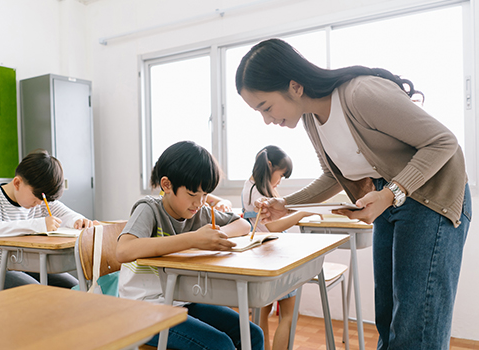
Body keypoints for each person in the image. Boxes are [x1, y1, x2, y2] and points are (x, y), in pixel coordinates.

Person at [236, 38, 471, 350]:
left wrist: (389, 193)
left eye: (265, 107)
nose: (267, 119)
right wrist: (286, 203)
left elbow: (443, 142)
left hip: (433, 197)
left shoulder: (360, 94)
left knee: (417, 326)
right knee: (387, 321)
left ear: (294, 86)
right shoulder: (311, 120)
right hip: (392, 203)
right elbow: (334, 177)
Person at [116, 140, 264, 350]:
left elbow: (242, 224)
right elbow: (123, 250)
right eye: (193, 194)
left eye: (205, 195)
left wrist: (216, 235)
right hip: (140, 309)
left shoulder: (199, 211)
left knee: (252, 334)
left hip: (180, 300)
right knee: (220, 345)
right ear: (167, 185)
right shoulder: (149, 209)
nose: (200, 202)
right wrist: (193, 239)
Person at [0, 149, 98, 295]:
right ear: (17, 183)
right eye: (36, 200)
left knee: (76, 289)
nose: (39, 204)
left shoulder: (40, 199)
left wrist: (78, 220)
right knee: (39, 293)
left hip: (23, 266)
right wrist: (35, 225)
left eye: (42, 201)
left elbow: (67, 215)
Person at [242, 145, 313, 350]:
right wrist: (302, 213)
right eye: (281, 175)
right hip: (274, 254)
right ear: (270, 166)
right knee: (289, 315)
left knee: (262, 312)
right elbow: (274, 226)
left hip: (261, 255)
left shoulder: (252, 186)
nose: (280, 180)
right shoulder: (259, 193)